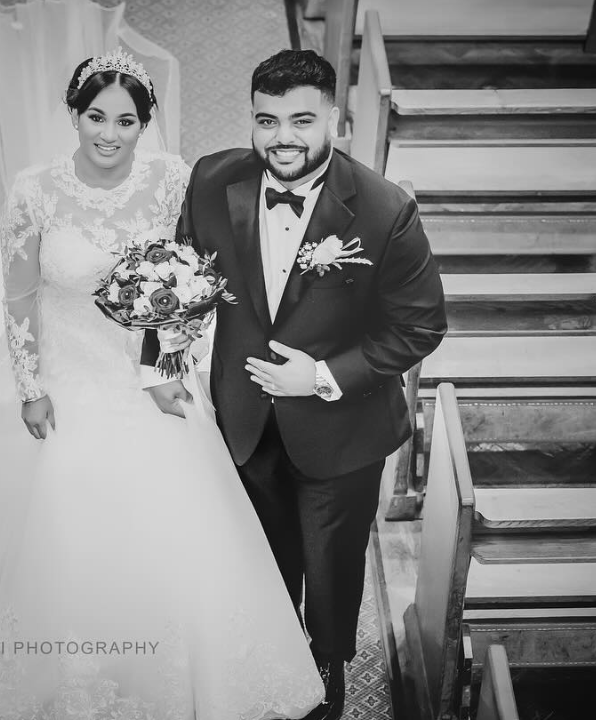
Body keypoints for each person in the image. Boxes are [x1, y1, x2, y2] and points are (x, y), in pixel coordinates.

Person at [0, 50, 324, 719]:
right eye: (97, 117)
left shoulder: (172, 181)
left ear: (146, 123)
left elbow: (182, 280)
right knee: (66, 495)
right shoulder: (34, 191)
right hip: (66, 365)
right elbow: (19, 297)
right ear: (74, 116)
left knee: (183, 501)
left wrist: (165, 370)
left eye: (127, 120)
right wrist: (30, 385)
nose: (110, 133)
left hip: (145, 367)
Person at [143, 49, 448, 720]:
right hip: (244, 416)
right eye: (267, 120)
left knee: (332, 564)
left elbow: (420, 329)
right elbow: (182, 274)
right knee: (259, 551)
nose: (282, 137)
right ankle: (270, 657)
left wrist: (323, 376)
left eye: (301, 120)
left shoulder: (384, 209)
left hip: (342, 432)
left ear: (334, 120)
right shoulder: (212, 178)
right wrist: (163, 364)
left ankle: (327, 665)